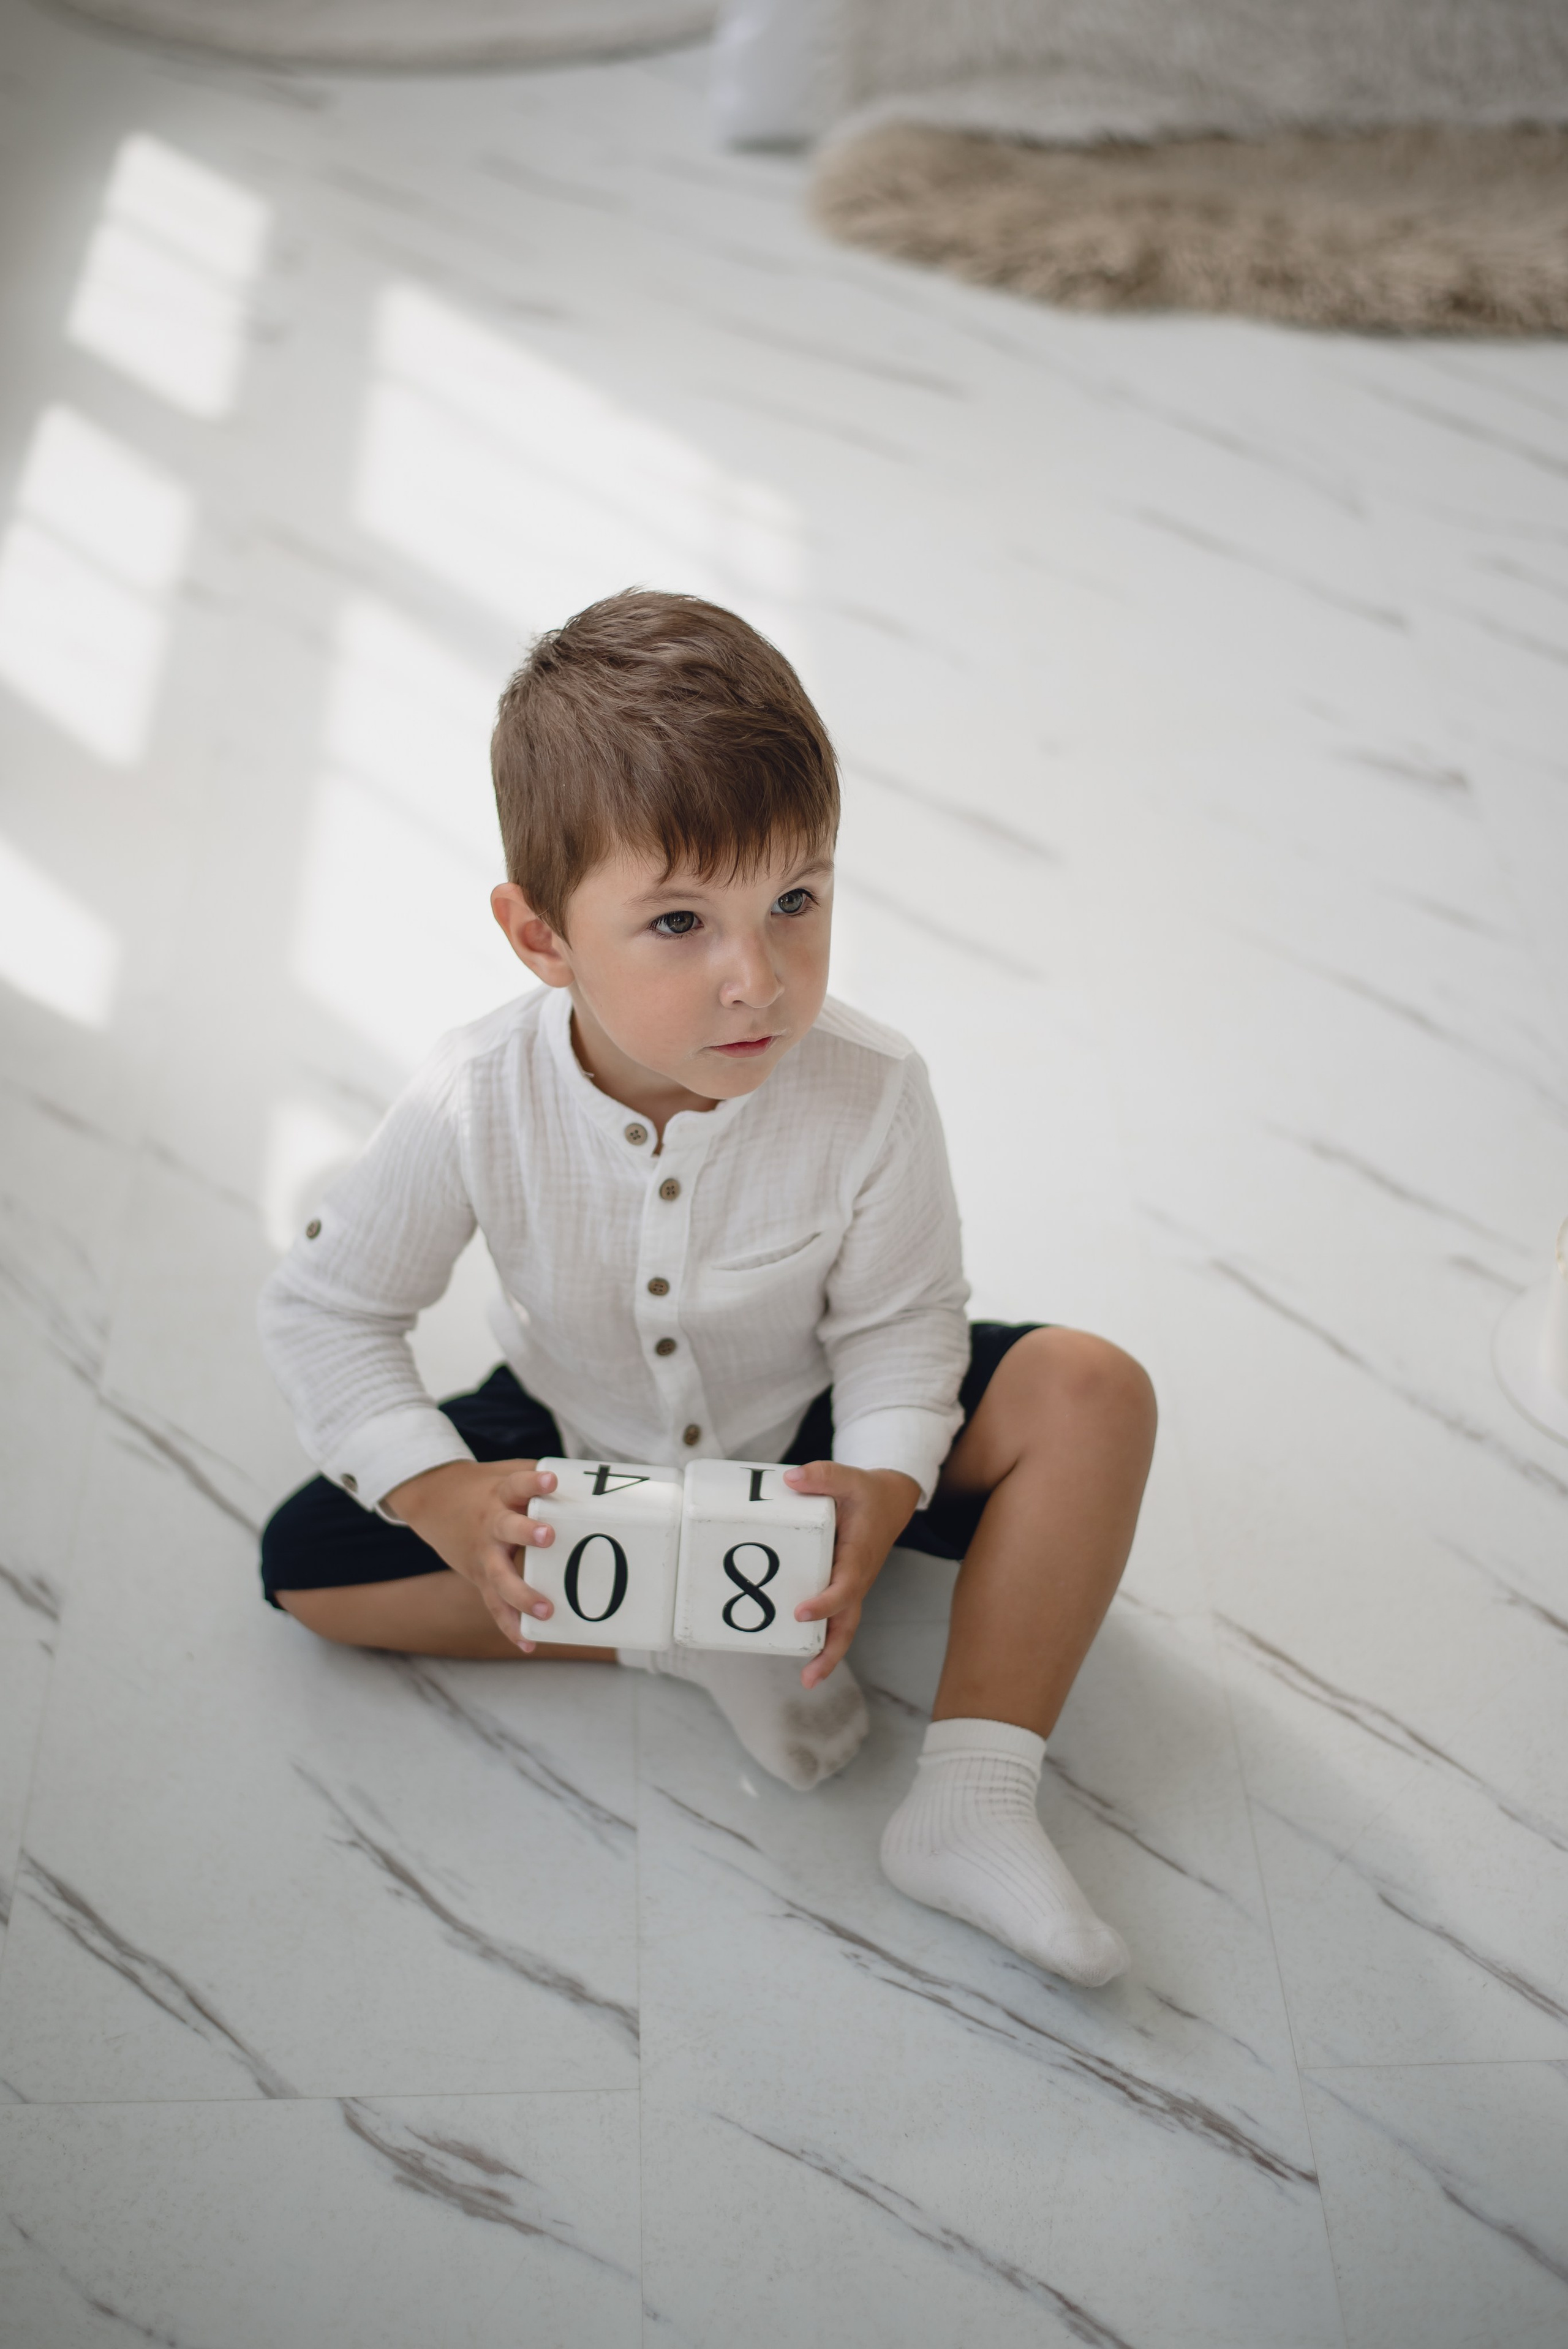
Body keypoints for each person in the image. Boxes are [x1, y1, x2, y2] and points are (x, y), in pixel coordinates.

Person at [258, 590, 1156, 1988]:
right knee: (312, 1572)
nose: (760, 980)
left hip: (801, 1428)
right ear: (540, 936)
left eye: (795, 900)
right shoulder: (474, 1094)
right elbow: (329, 1312)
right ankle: (679, 1627)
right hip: (580, 1440)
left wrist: (879, 1479)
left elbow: (899, 1323)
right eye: (678, 922)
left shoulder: (870, 1090)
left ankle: (970, 1799)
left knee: (1091, 1390)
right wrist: (434, 1491)